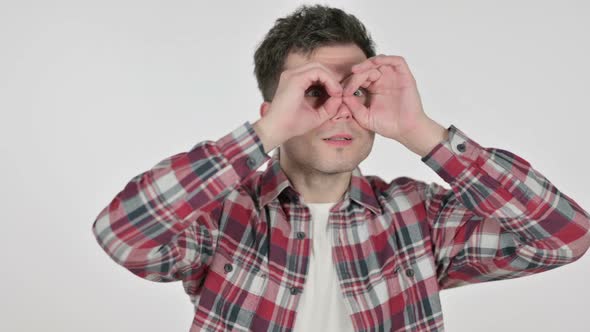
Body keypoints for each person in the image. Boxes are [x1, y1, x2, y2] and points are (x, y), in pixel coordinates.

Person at [91, 4, 590, 332]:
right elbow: (123, 236)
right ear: (277, 111)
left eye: (357, 91)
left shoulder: (418, 219)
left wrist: (420, 130)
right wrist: (262, 137)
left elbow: (563, 238)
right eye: (314, 93)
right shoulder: (224, 217)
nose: (340, 110)